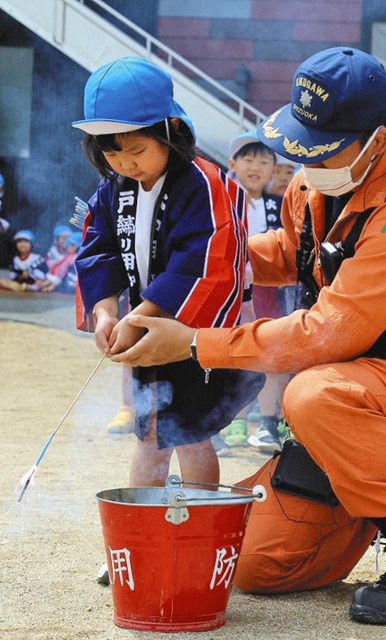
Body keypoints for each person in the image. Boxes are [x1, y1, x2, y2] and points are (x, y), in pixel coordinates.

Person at [110, 47, 386, 626]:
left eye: (321, 148)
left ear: (375, 139)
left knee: (314, 393)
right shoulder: (318, 184)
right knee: (250, 563)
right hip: (355, 402)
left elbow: (325, 334)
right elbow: (286, 255)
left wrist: (193, 343)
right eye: (300, 145)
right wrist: (195, 257)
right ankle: (385, 490)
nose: (304, 162)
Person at [72, 57, 263, 490]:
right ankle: (144, 533)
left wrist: (142, 314)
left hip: (188, 331)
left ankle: (202, 530)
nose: (126, 164)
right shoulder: (112, 189)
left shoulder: (205, 183)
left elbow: (205, 257)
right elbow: (97, 250)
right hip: (140, 327)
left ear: (170, 131)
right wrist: (105, 312)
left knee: (193, 437)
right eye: (111, 152)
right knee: (151, 436)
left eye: (136, 150)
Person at [222, 132, 289, 452]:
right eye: (248, 159)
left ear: (274, 169)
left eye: (264, 161)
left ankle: (268, 424)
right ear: (232, 164)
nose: (255, 167)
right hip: (229, 292)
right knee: (231, 355)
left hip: (268, 294)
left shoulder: (281, 206)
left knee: (271, 356)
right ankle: (232, 420)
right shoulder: (219, 203)